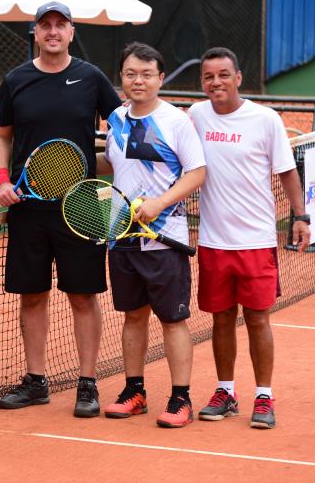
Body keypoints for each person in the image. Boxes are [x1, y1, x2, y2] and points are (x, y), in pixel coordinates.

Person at [0, 2, 123, 417]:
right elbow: (1, 136)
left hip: (81, 206)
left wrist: (111, 174)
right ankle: (35, 381)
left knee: (83, 296)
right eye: (45, 25)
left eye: (59, 25)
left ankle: (87, 383)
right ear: (35, 31)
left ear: (70, 31)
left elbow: (122, 129)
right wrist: (1, 181)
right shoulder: (16, 80)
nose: (52, 31)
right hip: (28, 208)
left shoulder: (91, 77)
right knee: (32, 295)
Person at [188, 47, 311, 429]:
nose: (216, 82)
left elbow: (287, 172)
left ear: (238, 77)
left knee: (258, 319)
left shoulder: (265, 119)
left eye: (224, 74)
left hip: (256, 241)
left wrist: (300, 215)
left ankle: (264, 396)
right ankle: (226, 391)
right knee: (221, 320)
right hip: (212, 241)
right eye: (209, 76)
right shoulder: (195, 116)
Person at [98, 43, 206, 428]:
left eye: (146, 74)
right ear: (122, 78)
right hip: (121, 235)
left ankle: (181, 398)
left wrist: (160, 203)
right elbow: (113, 163)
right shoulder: (115, 117)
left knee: (173, 319)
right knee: (133, 316)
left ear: (161, 78)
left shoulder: (176, 121)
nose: (137, 80)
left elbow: (196, 172)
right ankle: (134, 391)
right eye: (130, 74)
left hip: (164, 239)